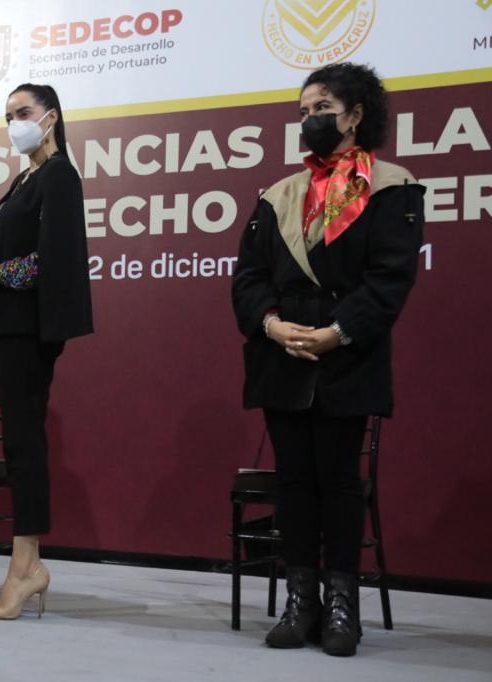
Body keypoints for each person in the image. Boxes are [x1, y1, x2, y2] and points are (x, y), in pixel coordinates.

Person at [232, 63, 424, 657]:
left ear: (355, 115)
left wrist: (336, 333)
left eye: (322, 109)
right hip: (283, 356)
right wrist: (271, 324)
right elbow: (248, 278)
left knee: (339, 482)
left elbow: (390, 279)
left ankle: (343, 607)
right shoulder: (278, 194)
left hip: (348, 357)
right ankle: (301, 602)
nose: (310, 119)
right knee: (293, 481)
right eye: (303, 111)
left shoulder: (391, 187)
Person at [0, 83, 93, 619]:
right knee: (18, 444)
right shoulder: (26, 178)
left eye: (24, 112)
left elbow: (43, 263)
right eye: (8, 115)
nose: (15, 123)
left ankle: (25, 568)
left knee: (24, 446)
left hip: (31, 329)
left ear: (50, 117)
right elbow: (14, 240)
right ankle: (25, 566)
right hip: (9, 326)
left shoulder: (59, 175)